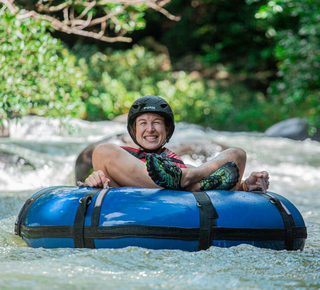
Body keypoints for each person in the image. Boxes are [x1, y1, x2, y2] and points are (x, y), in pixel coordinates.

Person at [82, 95, 269, 192]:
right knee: (102, 151)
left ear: (167, 130)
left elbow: (226, 185)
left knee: (237, 153)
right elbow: (104, 185)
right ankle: (188, 182)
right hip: (135, 200)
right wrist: (95, 179)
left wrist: (245, 186)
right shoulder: (121, 156)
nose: (150, 129)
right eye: (143, 123)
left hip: (182, 177)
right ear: (134, 131)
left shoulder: (175, 162)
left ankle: (187, 180)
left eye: (156, 123)